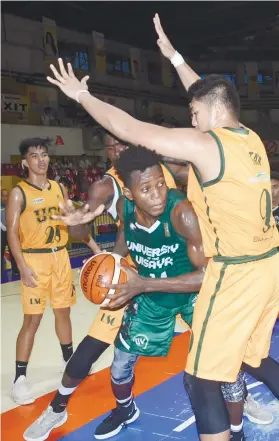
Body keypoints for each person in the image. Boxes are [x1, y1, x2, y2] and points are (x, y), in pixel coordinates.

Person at [47, 13, 279, 441]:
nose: (192, 121)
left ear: (210, 112)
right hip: (269, 267)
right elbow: (209, 94)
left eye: (193, 113)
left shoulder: (209, 144)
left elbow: (132, 129)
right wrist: (174, 57)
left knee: (200, 380)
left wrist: (82, 95)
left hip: (236, 274)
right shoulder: (249, 137)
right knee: (250, 357)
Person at [24, 147, 271, 441]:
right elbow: (124, 239)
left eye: (160, 186)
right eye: (146, 189)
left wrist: (143, 284)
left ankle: (238, 422)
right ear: (128, 194)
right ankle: (125, 409)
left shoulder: (182, 212)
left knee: (228, 363)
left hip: (192, 295)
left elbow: (207, 276)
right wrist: (106, 262)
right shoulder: (124, 208)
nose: (157, 195)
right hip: (149, 296)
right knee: (119, 365)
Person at [6, 137, 101, 406]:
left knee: (64, 312)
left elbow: (73, 223)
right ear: (24, 162)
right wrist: (22, 266)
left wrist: (94, 247)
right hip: (34, 260)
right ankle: (20, 379)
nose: (41, 159)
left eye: (44, 154)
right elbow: (12, 233)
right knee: (32, 320)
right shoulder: (18, 192)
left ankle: (68, 361)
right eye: (34, 155)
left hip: (60, 258)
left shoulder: (59, 188)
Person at [1, 188, 18, 278]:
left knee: (14, 251)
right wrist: (3, 228)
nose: (4, 198)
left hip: (10, 232)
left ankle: (15, 270)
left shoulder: (11, 206)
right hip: (1, 232)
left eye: (6, 195)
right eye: (3, 195)